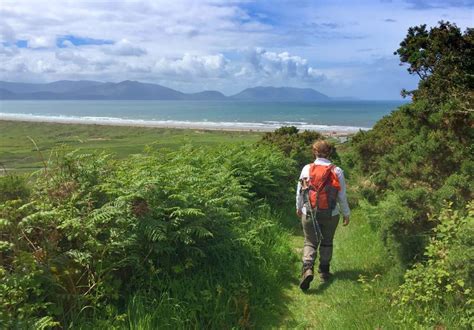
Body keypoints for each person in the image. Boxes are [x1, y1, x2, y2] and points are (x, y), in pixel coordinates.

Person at [296, 140, 350, 291]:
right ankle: (324, 272)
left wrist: (299, 207)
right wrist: (346, 213)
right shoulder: (337, 171)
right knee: (327, 241)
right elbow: (341, 196)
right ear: (330, 152)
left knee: (310, 242)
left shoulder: (307, 168)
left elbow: (300, 190)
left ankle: (307, 269)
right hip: (331, 213)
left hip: (309, 211)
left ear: (314, 152)